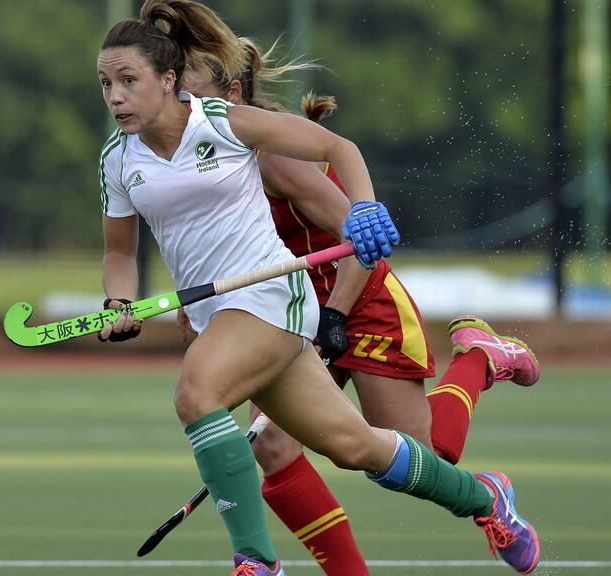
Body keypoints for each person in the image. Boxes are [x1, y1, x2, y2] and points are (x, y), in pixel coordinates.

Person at [94, 1, 540, 575]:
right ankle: (486, 500)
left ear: (169, 80)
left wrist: (364, 212)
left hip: (279, 298)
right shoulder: (117, 160)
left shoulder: (220, 122)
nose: (115, 96)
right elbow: (119, 252)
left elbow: (337, 149)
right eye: (106, 83)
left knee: (195, 393)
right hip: (224, 315)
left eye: (128, 81)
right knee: (359, 446)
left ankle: (256, 563)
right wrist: (117, 302)